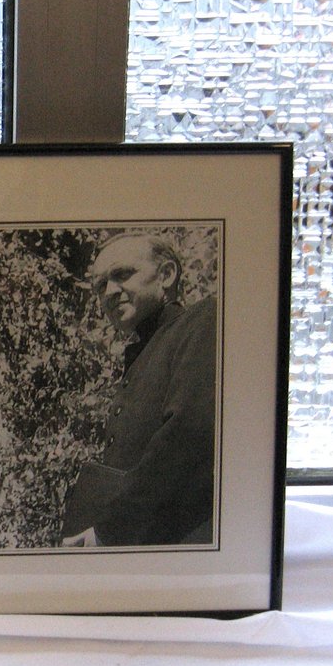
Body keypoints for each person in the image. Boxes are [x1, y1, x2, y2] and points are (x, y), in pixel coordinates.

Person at [61, 233, 217, 547]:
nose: (109, 292)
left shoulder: (202, 322)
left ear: (166, 275)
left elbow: (187, 437)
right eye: (101, 285)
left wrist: (109, 532)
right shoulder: (144, 350)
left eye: (122, 275)